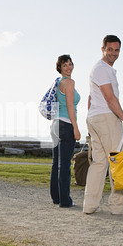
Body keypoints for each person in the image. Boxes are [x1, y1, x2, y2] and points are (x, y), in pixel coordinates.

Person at [83, 35, 123, 215]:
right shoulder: (102, 69)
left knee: (99, 163)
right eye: (110, 49)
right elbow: (110, 99)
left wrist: (91, 120)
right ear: (103, 49)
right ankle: (117, 206)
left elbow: (91, 98)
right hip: (106, 118)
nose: (113, 53)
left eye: (116, 50)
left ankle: (90, 205)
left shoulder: (101, 69)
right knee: (117, 161)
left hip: (96, 118)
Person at [50, 55, 81, 208]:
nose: (69, 67)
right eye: (65, 65)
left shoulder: (57, 82)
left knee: (57, 163)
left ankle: (56, 197)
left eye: (70, 64)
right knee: (64, 164)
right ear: (60, 68)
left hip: (55, 124)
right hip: (66, 123)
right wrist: (76, 127)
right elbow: (70, 106)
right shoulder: (69, 82)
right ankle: (65, 200)